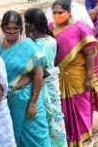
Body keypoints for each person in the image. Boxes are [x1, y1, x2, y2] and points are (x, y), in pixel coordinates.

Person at [50, 0, 98, 146]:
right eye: (55, 12)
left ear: (69, 12)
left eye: (60, 12)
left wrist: (89, 78)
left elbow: (90, 54)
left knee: (80, 104)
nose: (57, 15)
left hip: (78, 75)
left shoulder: (80, 28)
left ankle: (84, 133)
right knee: (63, 106)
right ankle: (68, 135)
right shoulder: (50, 28)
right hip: (58, 75)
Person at [0, 11, 51, 147]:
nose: (11, 32)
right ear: (2, 28)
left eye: (15, 29)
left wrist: (33, 103)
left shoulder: (29, 47)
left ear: (21, 28)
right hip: (8, 101)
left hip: (28, 99)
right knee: (14, 136)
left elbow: (38, 75)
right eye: (8, 29)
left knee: (38, 136)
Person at [23, 9, 67, 147]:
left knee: (51, 119)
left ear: (31, 25)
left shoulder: (44, 44)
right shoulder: (45, 41)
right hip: (45, 85)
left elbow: (43, 72)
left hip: (45, 87)